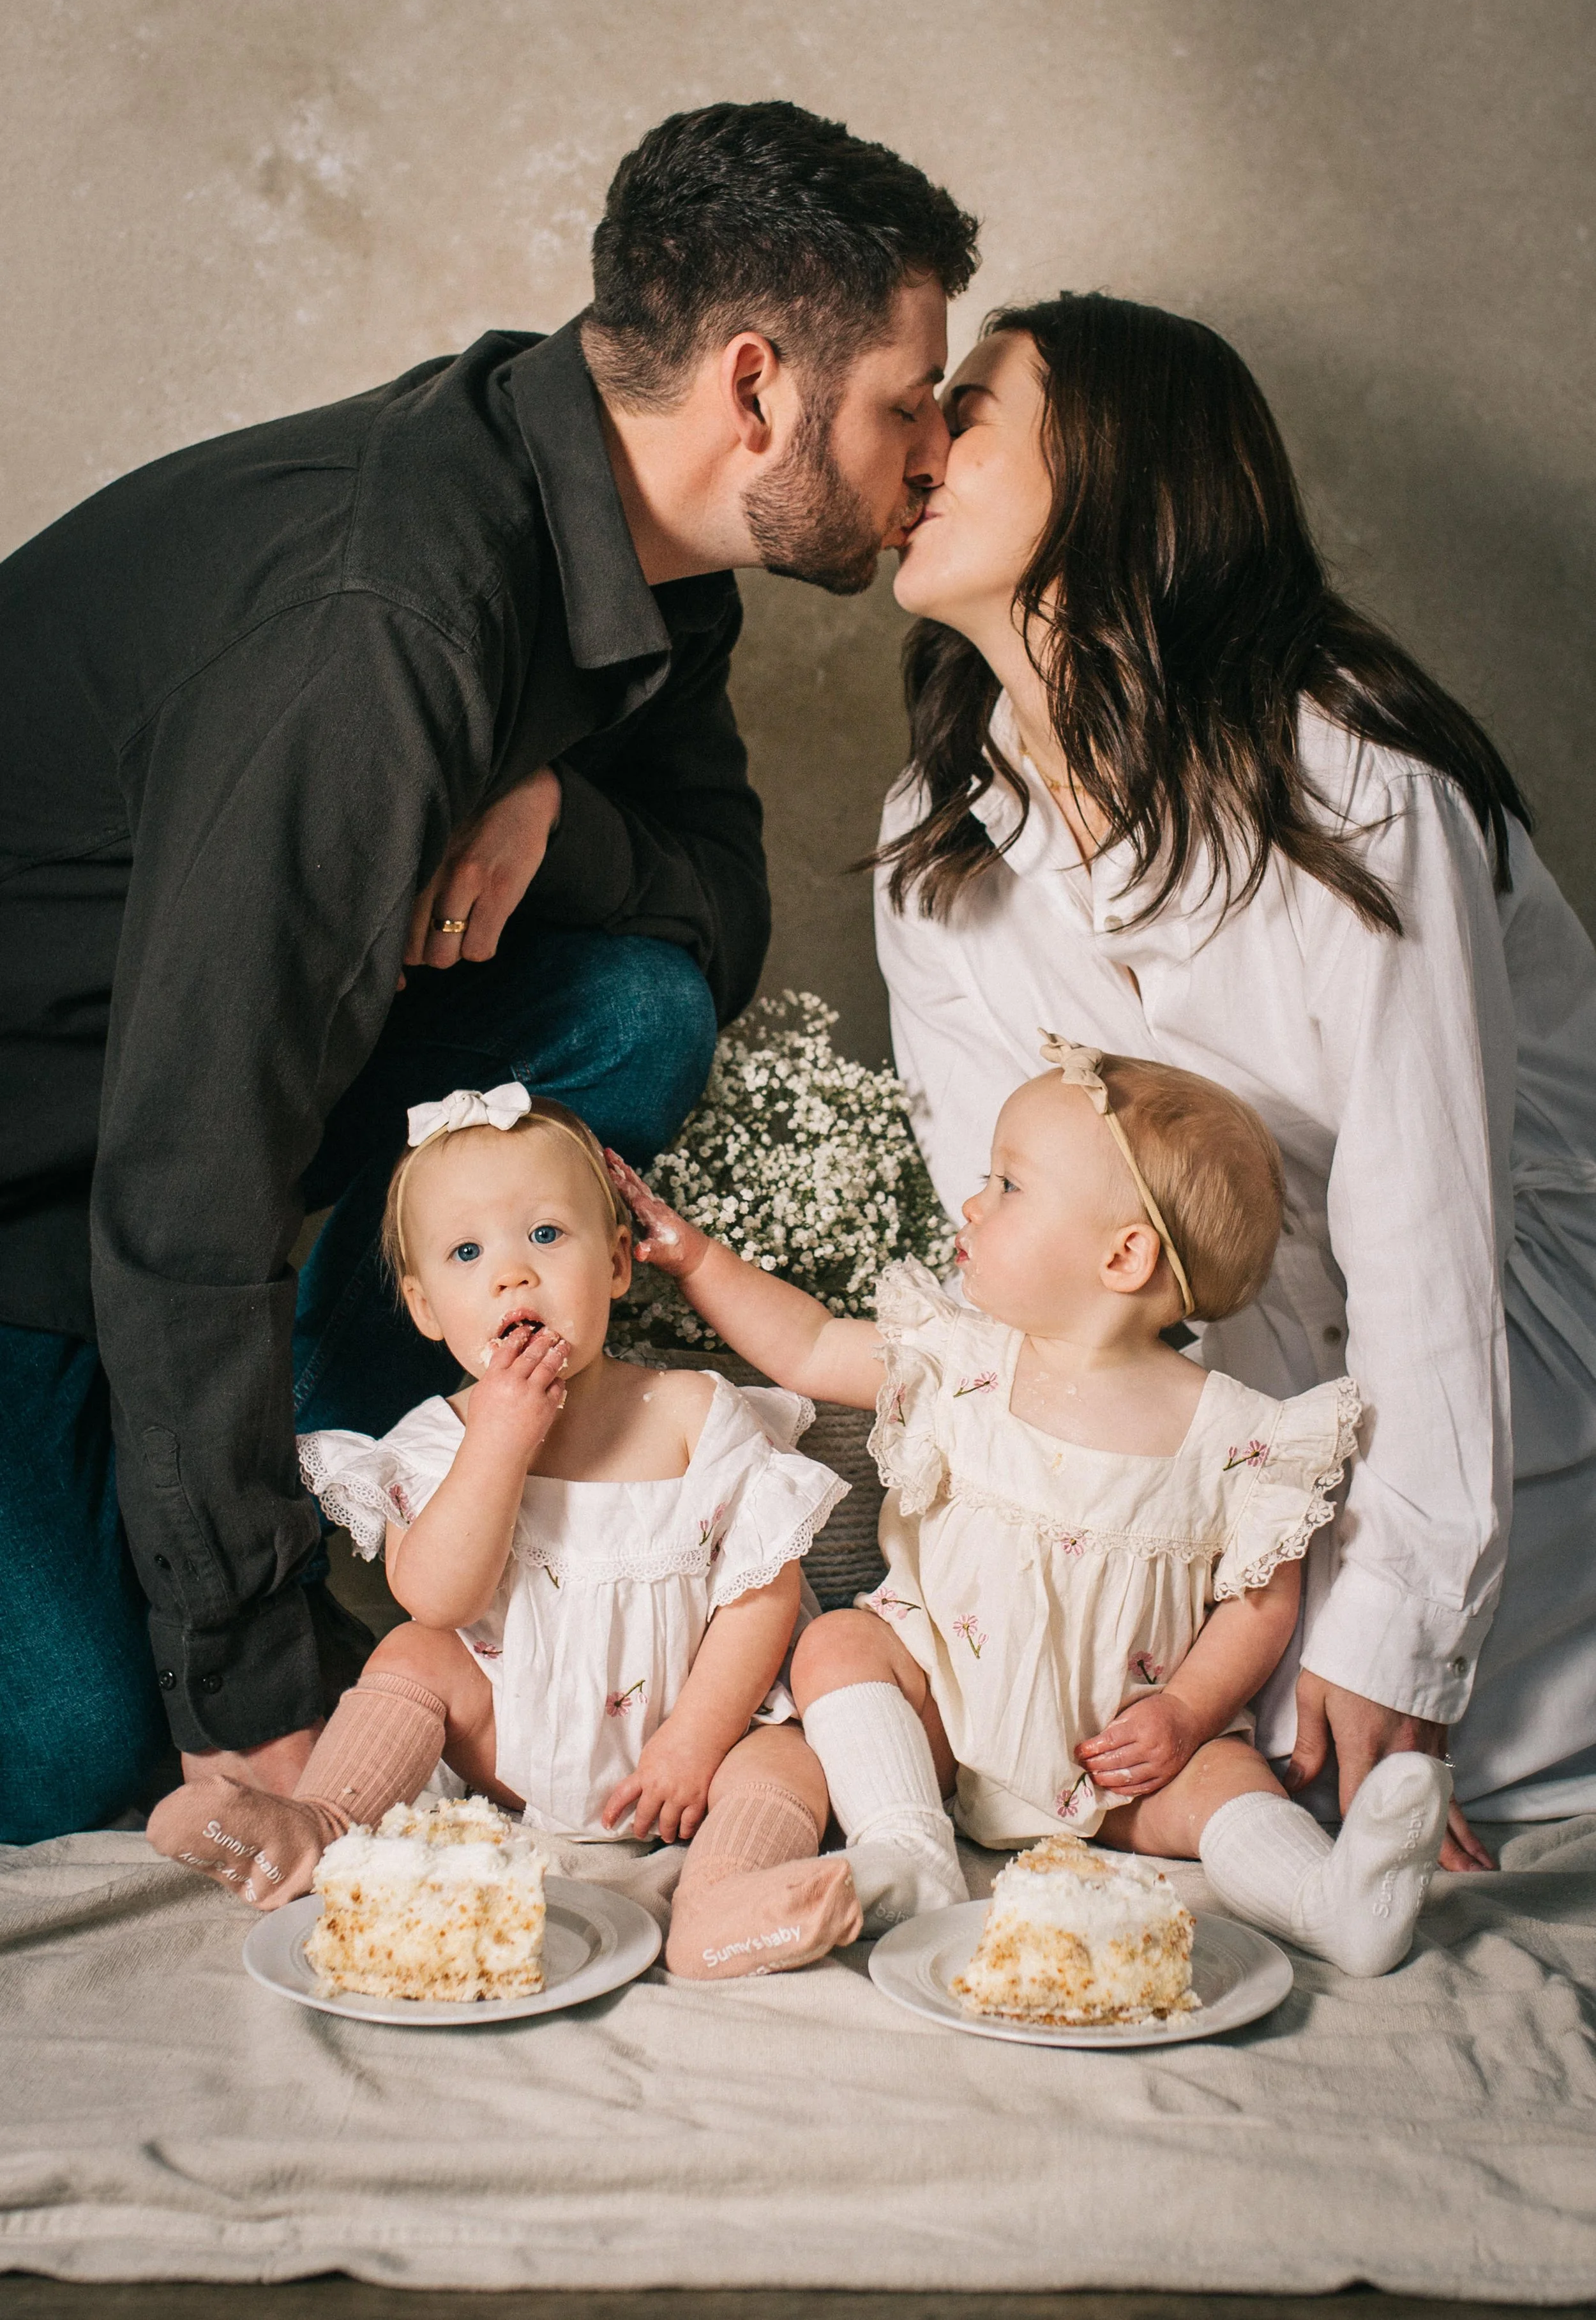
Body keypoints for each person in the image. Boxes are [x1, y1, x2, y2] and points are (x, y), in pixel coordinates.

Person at [0, 100, 979, 1843]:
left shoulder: (649, 567)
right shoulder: (392, 625)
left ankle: (365, 1470)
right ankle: (263, 1533)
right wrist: (259, 1695)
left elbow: (713, 924)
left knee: (630, 1001)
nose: (929, 452)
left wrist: (547, 805)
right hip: (46, 1181)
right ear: (754, 386)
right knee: (85, 1758)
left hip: (201, 1132)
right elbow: (183, 1172)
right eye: (906, 399)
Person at [872, 291, 1596, 1865]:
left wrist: (1393, 1624)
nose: (914, 444)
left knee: (1380, 1755)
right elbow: (1028, 1257)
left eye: (970, 407)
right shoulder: (932, 843)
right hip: (1211, 1412)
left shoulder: (1358, 793)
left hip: (1497, 1374)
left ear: (1119, 467)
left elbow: (1427, 1239)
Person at [610, 1045, 1454, 1979]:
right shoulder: (962, 1363)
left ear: (1123, 1255)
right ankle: (907, 1847)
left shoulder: (1240, 1435)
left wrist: (1183, 1711)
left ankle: (1325, 1899)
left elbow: (1260, 1602)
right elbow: (807, 1344)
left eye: (1008, 1185)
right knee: (838, 1646)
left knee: (1225, 1778)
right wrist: (693, 1257)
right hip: (946, 1717)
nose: (972, 1203)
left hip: (1116, 1756)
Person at [149, 1088, 862, 1980]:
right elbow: (437, 1597)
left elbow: (764, 1590)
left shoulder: (693, 1414)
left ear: (615, 1265)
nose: (511, 1275)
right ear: (423, 1306)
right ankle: (320, 1825)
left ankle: (722, 1896)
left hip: (688, 1746)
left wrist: (698, 1737)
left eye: (546, 1236)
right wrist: (497, 1442)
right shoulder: (440, 1441)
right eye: (467, 1252)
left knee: (788, 1755)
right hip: (511, 1744)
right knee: (414, 1654)